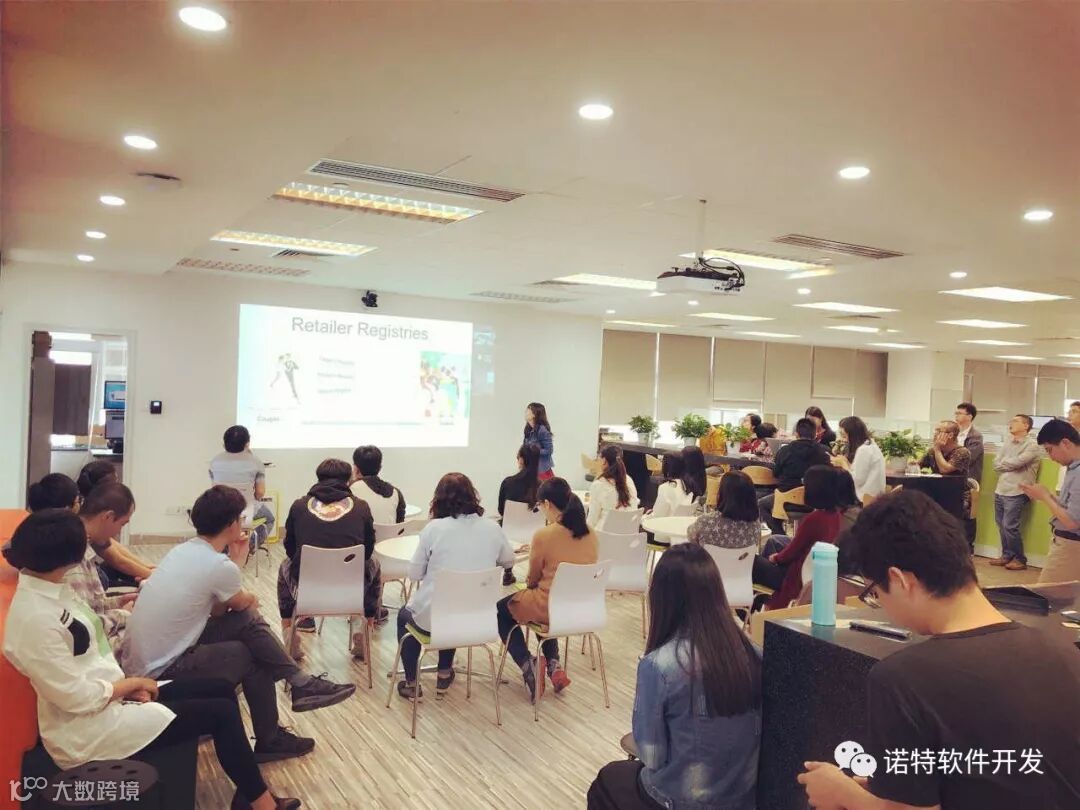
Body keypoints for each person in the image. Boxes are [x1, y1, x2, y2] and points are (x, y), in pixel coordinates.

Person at [2, 510, 302, 810]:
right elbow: (76, 697)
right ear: (68, 557)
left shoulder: (52, 592)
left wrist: (127, 686)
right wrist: (131, 685)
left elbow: (90, 659)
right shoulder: (36, 619)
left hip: (109, 697)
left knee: (221, 689)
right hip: (88, 731)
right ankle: (262, 803)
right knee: (220, 713)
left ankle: (249, 794)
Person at [798, 490, 1080, 810]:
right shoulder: (1064, 652)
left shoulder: (904, 678)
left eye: (874, 592)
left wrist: (842, 793)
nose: (881, 605)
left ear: (899, 580)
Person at [122, 485, 355, 763]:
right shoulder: (218, 566)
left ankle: (296, 688)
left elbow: (220, 610)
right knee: (252, 652)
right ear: (232, 524)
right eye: (241, 518)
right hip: (161, 669)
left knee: (247, 627)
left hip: (142, 659)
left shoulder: (184, 551)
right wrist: (237, 568)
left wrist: (234, 563)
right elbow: (245, 603)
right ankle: (277, 725)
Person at [587, 544, 761, 810]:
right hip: (743, 800)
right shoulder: (753, 654)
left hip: (681, 801)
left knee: (607, 779)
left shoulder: (660, 666)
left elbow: (652, 755)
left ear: (661, 598)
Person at [395, 473, 515, 699]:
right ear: (473, 496)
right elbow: (508, 560)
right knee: (454, 605)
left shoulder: (434, 529)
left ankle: (411, 683)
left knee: (407, 615)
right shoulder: (492, 528)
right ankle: (444, 672)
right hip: (480, 620)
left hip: (437, 620)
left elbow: (414, 574)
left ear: (438, 499)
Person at [496, 478, 597, 700]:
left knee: (501, 611)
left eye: (540, 506)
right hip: (581, 609)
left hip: (549, 607)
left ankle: (528, 663)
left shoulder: (544, 535)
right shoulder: (591, 533)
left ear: (548, 504)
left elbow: (533, 579)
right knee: (543, 603)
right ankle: (553, 664)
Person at [279, 459, 381, 659]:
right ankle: (365, 633)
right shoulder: (361, 507)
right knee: (374, 564)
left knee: (284, 566)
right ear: (349, 480)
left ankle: (290, 633)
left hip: (308, 587)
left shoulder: (299, 506)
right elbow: (368, 550)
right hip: (351, 588)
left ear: (318, 478)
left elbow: (289, 547)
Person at [753, 466, 844, 609]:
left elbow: (793, 551)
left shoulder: (814, 519)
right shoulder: (836, 516)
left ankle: (755, 603)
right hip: (809, 569)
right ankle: (761, 600)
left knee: (752, 562)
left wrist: (776, 558)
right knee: (773, 541)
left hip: (795, 575)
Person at [71, 483, 141, 652]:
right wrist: (123, 614)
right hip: (92, 651)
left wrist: (118, 602)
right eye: (122, 524)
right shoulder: (72, 557)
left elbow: (89, 604)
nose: (118, 532)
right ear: (108, 517)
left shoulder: (83, 544)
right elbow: (82, 629)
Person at [75, 460, 154, 585]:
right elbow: (117, 560)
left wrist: (147, 567)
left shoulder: (91, 515)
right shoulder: (88, 525)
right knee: (106, 578)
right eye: (116, 483)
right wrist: (154, 575)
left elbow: (112, 546)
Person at [1021, 419, 1080, 584]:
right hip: (1069, 543)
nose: (1050, 457)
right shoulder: (1073, 468)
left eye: (1050, 450)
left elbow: (1072, 522)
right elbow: (1070, 508)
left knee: (1047, 595)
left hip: (1071, 546)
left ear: (1065, 443)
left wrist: (1046, 497)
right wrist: (1048, 496)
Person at [758, 418, 830, 534]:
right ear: (815, 434)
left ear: (796, 433)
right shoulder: (824, 452)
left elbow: (776, 474)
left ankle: (780, 535)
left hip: (785, 501)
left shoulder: (784, 451)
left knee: (762, 504)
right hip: (814, 502)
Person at [209, 425, 276, 551]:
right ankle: (246, 549)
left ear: (224, 444)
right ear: (247, 444)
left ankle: (225, 549)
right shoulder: (255, 462)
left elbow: (215, 489)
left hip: (220, 511)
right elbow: (260, 492)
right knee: (269, 519)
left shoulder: (214, 462)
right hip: (246, 511)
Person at [991, 414, 1043, 571]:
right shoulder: (1008, 441)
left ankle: (1020, 559)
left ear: (1026, 426)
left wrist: (1004, 463)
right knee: (1001, 524)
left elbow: (1018, 462)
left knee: (1009, 526)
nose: (1011, 423)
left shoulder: (1032, 445)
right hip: (1001, 489)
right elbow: (996, 463)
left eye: (1015, 421)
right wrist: (1006, 464)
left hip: (1017, 491)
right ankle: (1007, 555)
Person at [497, 443, 541, 585]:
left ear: (521, 460)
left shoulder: (508, 483)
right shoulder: (542, 487)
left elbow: (501, 510)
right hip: (535, 534)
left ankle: (507, 570)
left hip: (508, 531)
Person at [687, 470, 760, 550]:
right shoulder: (755, 525)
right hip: (743, 558)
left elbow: (691, 538)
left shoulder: (705, 522)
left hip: (709, 558)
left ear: (722, 493)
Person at [919, 419, 973, 512]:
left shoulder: (962, 452)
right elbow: (917, 465)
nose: (935, 434)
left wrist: (937, 449)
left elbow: (944, 470)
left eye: (938, 431)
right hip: (937, 492)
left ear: (950, 435)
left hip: (956, 496)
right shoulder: (932, 451)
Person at [832, 416, 886, 502]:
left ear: (853, 435)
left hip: (865, 498)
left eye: (844, 436)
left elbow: (856, 480)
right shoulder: (871, 445)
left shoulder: (864, 450)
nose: (843, 440)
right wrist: (846, 462)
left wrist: (844, 464)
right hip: (875, 496)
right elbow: (860, 472)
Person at [350, 444, 406, 526]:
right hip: (390, 535)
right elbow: (400, 525)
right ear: (380, 468)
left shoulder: (350, 490)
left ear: (356, 469)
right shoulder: (396, 493)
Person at [587, 445, 640, 529]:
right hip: (628, 534)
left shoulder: (598, 485)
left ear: (604, 461)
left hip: (603, 535)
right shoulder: (629, 480)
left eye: (598, 459)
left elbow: (591, 521)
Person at [649, 452, 691, 519]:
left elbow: (657, 516)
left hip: (664, 523)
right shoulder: (687, 485)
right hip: (680, 523)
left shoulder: (665, 488)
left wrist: (644, 517)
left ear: (666, 466)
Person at [524, 402, 555, 480]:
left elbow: (549, 450)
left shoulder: (542, 430)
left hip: (542, 471)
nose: (526, 412)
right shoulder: (528, 430)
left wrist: (536, 451)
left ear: (534, 414)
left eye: (528, 409)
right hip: (531, 468)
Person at [955, 401, 984, 483]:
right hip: (952, 476)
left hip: (967, 479)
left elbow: (968, 458)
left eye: (959, 413)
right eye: (956, 413)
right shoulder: (953, 433)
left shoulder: (976, 436)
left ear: (969, 417)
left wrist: (949, 464)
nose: (956, 415)